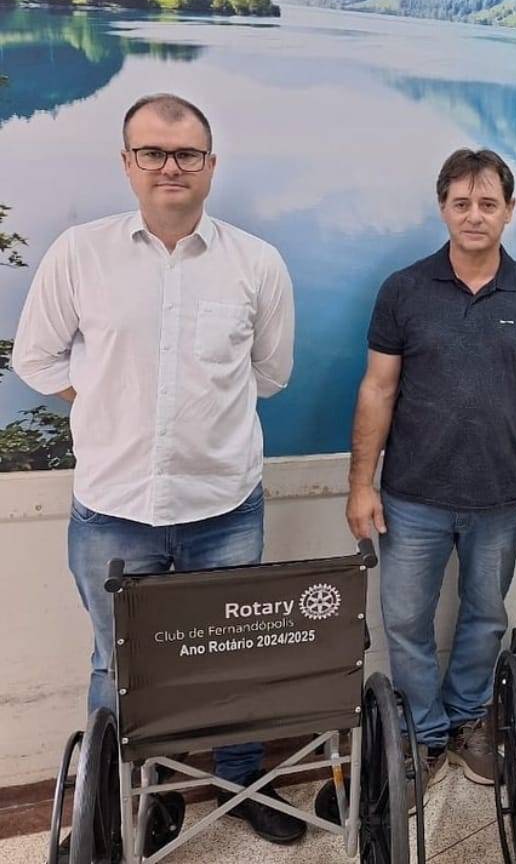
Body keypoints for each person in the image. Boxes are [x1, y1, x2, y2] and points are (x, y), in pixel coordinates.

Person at [12, 93, 301, 844]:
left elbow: (269, 373)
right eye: (153, 153)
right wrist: (104, 396)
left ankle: (242, 784)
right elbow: (37, 358)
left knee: (231, 664)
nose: (170, 167)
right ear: (127, 163)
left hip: (224, 510)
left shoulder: (256, 263)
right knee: (118, 668)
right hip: (112, 513)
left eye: (187, 154)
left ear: (210, 165)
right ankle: (126, 798)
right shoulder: (81, 254)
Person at [345, 148, 516, 799]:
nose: (475, 215)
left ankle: (469, 722)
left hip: (500, 496)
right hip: (412, 497)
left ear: (510, 211)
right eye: (462, 203)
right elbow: (377, 390)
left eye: (488, 203)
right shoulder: (404, 290)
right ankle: (425, 732)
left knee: (484, 616)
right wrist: (362, 483)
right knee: (406, 621)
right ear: (443, 207)